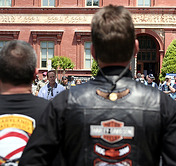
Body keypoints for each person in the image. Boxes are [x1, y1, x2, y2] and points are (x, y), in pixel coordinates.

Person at [19, 5, 176, 166]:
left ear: (93, 52)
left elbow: (31, 161)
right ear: (135, 49)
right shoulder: (162, 105)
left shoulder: (64, 103)